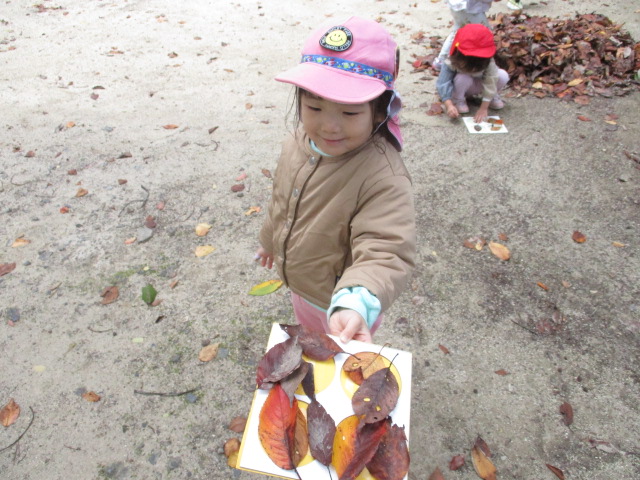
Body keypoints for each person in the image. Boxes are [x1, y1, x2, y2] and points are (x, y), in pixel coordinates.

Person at [255, 16, 416, 344]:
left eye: (350, 113)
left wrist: (356, 303)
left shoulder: (382, 175)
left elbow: (385, 248)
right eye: (314, 107)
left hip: (344, 303)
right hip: (303, 285)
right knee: (310, 337)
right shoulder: (296, 142)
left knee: (334, 358)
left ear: (380, 109)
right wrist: (270, 240)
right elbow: (282, 200)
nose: (329, 126)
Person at [436, 23, 509, 123]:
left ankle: (491, 97)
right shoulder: (451, 61)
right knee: (463, 77)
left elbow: (491, 79)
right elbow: (443, 83)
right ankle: (458, 99)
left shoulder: (488, 61)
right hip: (462, 86)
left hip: (480, 85)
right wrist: (449, 105)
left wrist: (484, 108)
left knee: (502, 75)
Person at [433, 0, 494, 71]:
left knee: (456, 32)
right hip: (469, 8)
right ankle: (488, 64)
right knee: (484, 32)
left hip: (458, 6)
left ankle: (441, 59)